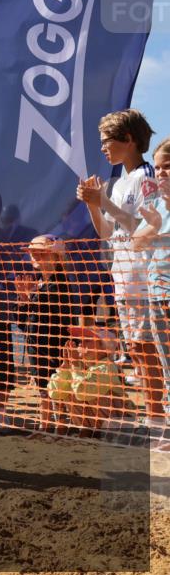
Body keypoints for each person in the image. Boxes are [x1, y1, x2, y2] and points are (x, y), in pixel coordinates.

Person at [77, 109, 163, 426]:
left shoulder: (147, 177)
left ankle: (157, 419)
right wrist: (92, 203)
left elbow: (146, 227)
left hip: (145, 278)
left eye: (106, 141)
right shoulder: (119, 183)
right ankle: (155, 417)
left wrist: (103, 202)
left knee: (148, 349)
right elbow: (106, 233)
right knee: (137, 351)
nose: (102, 148)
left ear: (127, 139)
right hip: (123, 276)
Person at [15, 235, 73, 431]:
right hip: (36, 344)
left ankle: (62, 426)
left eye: (42, 253)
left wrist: (30, 295)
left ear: (55, 257)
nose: (36, 257)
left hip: (57, 344)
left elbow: (51, 308)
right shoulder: (37, 283)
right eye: (33, 253)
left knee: (59, 386)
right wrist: (23, 299)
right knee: (42, 387)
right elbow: (23, 324)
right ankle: (45, 426)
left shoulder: (61, 281)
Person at [131, 137, 170, 422]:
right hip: (157, 296)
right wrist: (155, 225)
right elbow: (136, 242)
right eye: (158, 168)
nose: (161, 173)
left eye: (167, 166)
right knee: (166, 367)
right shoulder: (158, 204)